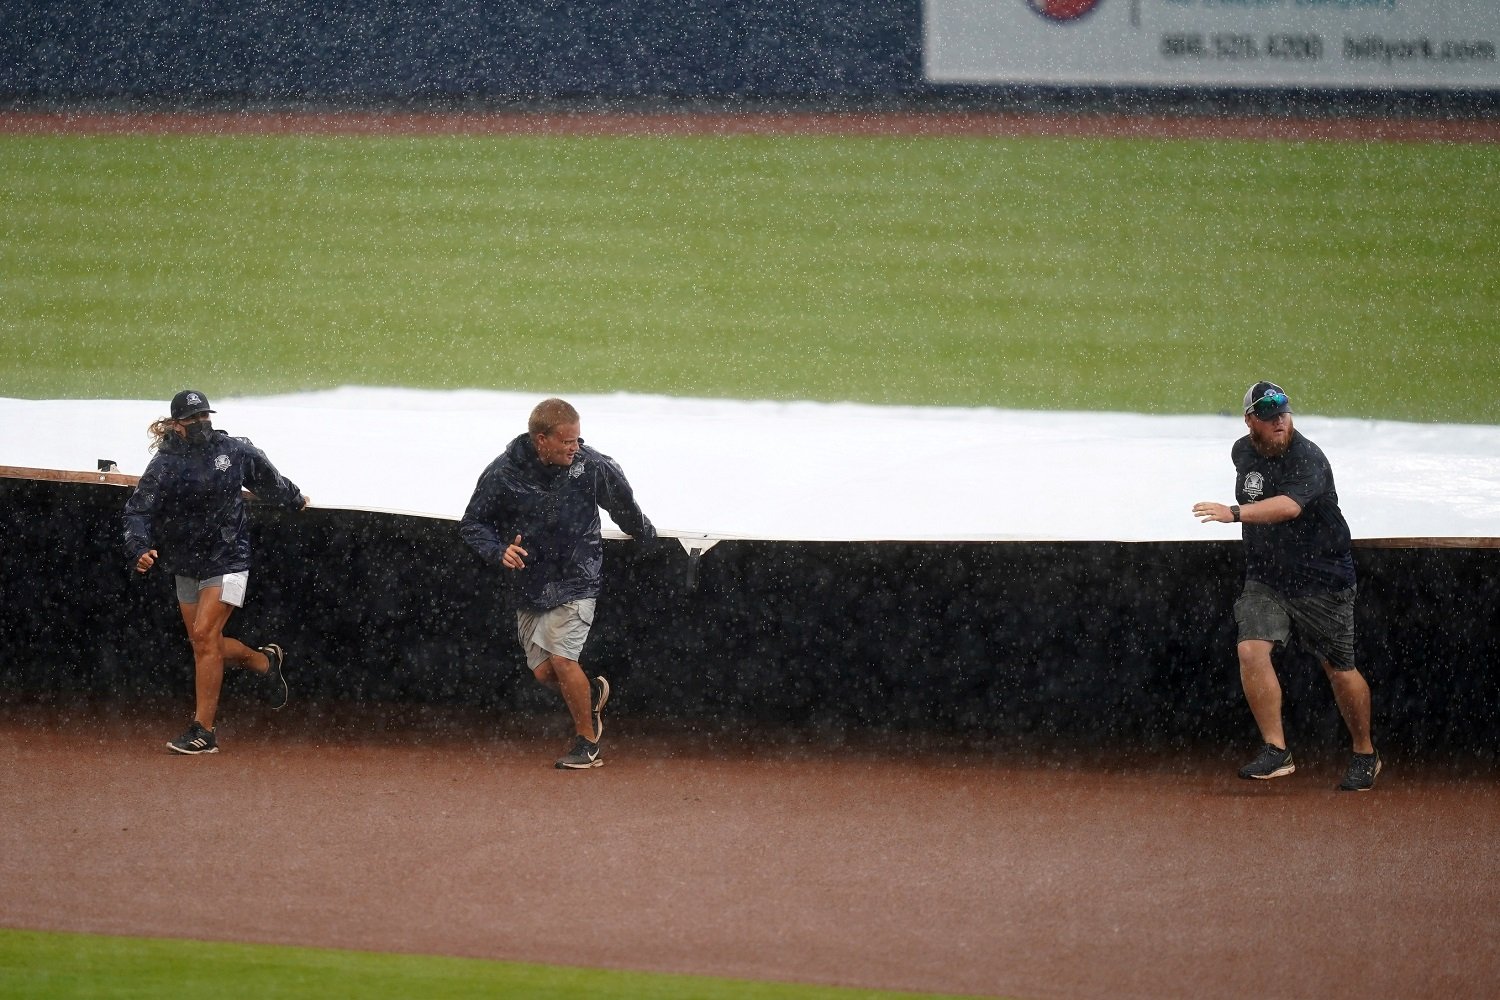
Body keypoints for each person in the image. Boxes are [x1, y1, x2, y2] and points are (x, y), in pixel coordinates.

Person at [1192, 381, 1379, 791]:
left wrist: (1235, 513)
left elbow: (1289, 507)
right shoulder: (1242, 451)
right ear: (1250, 421)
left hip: (1321, 580)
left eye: (1284, 414)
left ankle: (1365, 752)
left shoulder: (1307, 457)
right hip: (1268, 578)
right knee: (1250, 649)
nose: (1279, 422)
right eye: (1269, 416)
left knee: (1340, 670)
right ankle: (1277, 750)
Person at [460, 398, 655, 770]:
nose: (575, 448)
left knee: (564, 660)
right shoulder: (502, 473)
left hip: (578, 577)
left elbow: (625, 507)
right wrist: (497, 550)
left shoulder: (591, 466)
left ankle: (587, 744)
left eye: (577, 440)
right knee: (543, 671)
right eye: (567, 441)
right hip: (530, 583)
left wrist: (649, 540)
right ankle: (593, 691)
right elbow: (473, 523)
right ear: (540, 440)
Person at [122, 389, 309, 755]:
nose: (202, 424)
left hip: (229, 560)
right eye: (193, 420)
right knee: (203, 643)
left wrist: (293, 498)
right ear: (177, 425)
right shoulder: (164, 465)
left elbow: (268, 480)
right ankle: (264, 661)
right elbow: (137, 511)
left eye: (205, 416)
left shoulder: (233, 451)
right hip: (185, 564)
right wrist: (138, 548)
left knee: (205, 636)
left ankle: (203, 731)